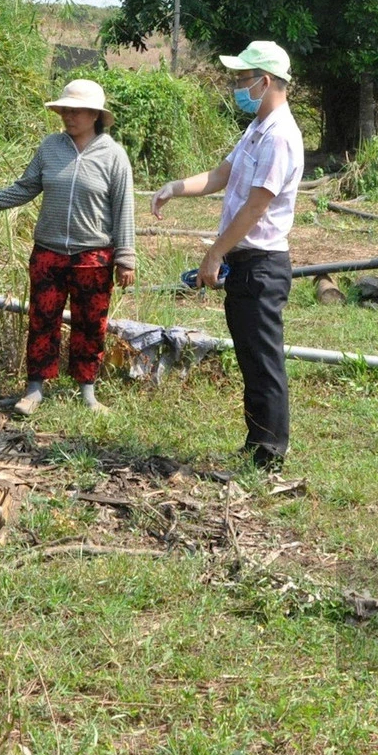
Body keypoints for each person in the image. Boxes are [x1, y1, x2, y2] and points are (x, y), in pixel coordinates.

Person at [150, 41, 304, 469]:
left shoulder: (280, 136)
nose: (237, 86)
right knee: (251, 357)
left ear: (266, 81)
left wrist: (214, 255)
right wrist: (176, 187)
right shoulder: (258, 128)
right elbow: (223, 173)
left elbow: (257, 206)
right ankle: (258, 442)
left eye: (243, 79)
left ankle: (270, 452)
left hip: (261, 264)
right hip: (247, 263)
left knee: (263, 359)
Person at [0, 78, 135, 414]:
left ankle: (87, 391)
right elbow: (26, 187)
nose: (68, 116)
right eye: (64, 110)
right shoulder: (51, 147)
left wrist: (125, 257)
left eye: (76, 111)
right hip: (48, 253)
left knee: (90, 324)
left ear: (95, 115)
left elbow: (124, 207)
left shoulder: (114, 156)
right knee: (42, 320)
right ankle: (34, 389)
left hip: (92, 255)